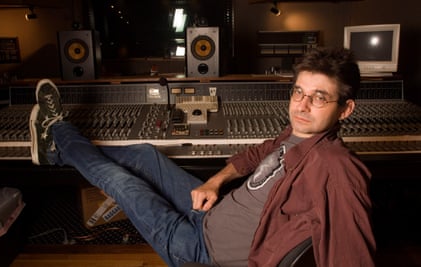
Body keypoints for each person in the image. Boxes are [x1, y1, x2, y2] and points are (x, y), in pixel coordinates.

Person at [29, 47, 376, 267]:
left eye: (319, 98)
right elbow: (256, 154)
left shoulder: (337, 168)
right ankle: (59, 152)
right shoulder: (298, 135)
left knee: (123, 184)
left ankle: (59, 136)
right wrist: (214, 181)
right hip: (209, 212)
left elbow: (352, 257)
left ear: (346, 109)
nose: (301, 105)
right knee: (147, 155)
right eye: (299, 91)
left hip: (199, 250)